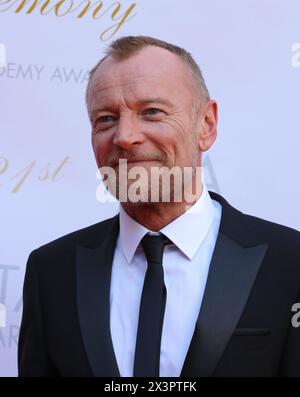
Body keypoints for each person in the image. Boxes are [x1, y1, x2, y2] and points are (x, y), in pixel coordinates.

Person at [18, 36, 300, 377]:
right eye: (105, 119)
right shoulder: (51, 272)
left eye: (152, 112)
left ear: (206, 125)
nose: (124, 136)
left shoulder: (289, 263)